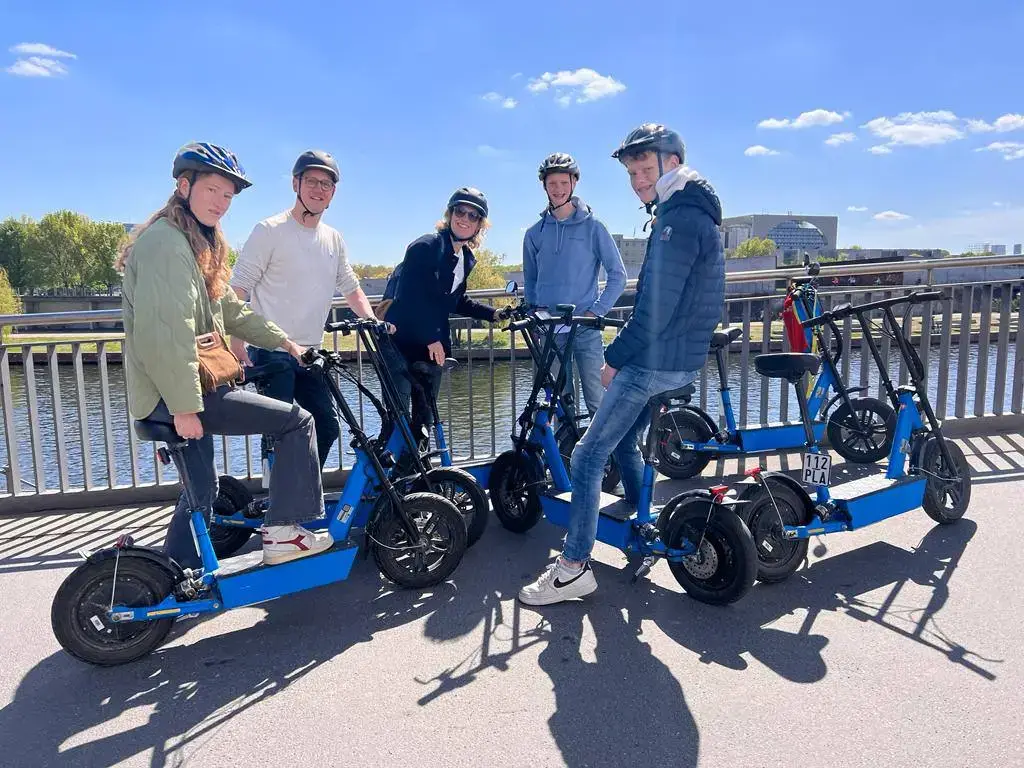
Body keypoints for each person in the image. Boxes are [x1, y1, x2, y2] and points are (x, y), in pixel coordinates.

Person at [519, 123, 726, 605]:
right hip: (676, 359)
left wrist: (615, 356)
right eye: (632, 172)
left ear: (673, 163)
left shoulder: (677, 221)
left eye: (646, 169)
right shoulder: (687, 213)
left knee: (588, 456)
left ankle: (572, 568)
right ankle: (642, 514)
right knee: (621, 440)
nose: (638, 180)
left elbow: (655, 309)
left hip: (656, 362)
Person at [118, 142, 333, 568]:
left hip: (180, 389)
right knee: (297, 422)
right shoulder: (167, 246)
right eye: (213, 190)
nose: (221, 202)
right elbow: (167, 333)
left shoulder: (193, 240)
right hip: (178, 393)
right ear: (184, 186)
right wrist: (183, 408)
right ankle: (284, 532)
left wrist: (287, 343)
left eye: (228, 196)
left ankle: (171, 576)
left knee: (202, 491)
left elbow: (228, 309)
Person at [229, 150, 383, 469]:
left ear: (333, 193)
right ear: (295, 184)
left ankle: (299, 496)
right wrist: (236, 344)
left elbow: (351, 287)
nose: (318, 188)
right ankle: (277, 506)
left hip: (311, 352)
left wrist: (371, 322)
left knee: (326, 427)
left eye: (326, 183)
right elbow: (238, 289)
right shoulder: (269, 230)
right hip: (270, 350)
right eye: (311, 180)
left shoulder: (333, 239)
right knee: (279, 432)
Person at [379, 187, 510, 435]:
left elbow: (456, 301)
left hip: (430, 350)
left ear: (480, 225)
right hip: (399, 342)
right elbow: (409, 297)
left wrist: (493, 314)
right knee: (398, 420)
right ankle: (384, 472)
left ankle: (421, 473)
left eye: (473, 216)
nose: (465, 218)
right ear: (449, 214)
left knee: (425, 422)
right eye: (460, 211)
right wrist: (432, 338)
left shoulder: (464, 258)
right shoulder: (425, 246)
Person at [523, 153, 627, 418]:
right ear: (544, 187)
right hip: (548, 331)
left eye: (563, 183)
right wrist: (534, 317)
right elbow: (532, 281)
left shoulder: (594, 227)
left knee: (597, 401)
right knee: (558, 404)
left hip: (584, 328)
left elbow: (618, 275)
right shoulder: (534, 233)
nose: (558, 189)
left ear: (574, 183)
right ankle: (566, 458)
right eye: (552, 183)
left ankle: (608, 459)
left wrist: (596, 312)